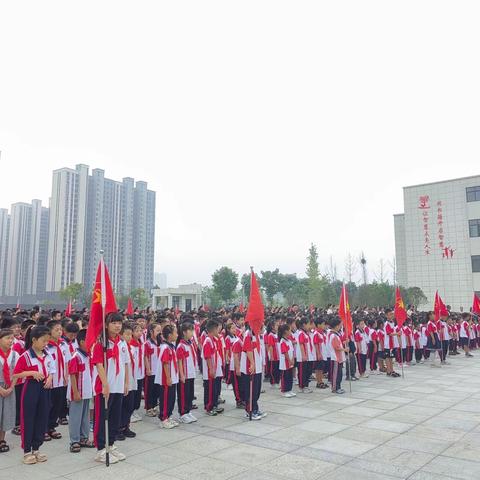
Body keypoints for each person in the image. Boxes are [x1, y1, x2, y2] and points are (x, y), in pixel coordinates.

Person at [12, 325, 54, 465]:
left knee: (42, 418)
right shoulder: (26, 356)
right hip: (31, 388)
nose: (46, 344)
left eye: (47, 341)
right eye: (43, 341)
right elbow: (16, 373)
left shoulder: (47, 354)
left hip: (45, 388)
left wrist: (49, 378)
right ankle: (27, 450)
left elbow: (51, 369)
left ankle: (36, 448)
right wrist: (31, 373)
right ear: (34, 340)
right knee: (28, 418)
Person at [91, 312, 128, 464]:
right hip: (105, 387)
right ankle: (100, 449)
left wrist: (126, 383)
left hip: (118, 385)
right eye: (114, 323)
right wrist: (105, 384)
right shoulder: (101, 343)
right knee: (101, 418)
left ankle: (110, 444)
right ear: (106, 325)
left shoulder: (122, 342)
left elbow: (125, 363)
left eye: (119, 323)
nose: (117, 326)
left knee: (114, 417)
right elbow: (99, 364)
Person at [67, 329, 94, 453]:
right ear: (82, 342)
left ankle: (84, 437)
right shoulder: (75, 357)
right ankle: (74, 440)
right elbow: (72, 375)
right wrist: (76, 392)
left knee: (85, 416)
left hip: (87, 391)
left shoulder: (89, 355)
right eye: (90, 341)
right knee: (75, 417)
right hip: (77, 392)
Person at [46, 320, 71, 440]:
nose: (60, 332)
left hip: (61, 380)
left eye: (61, 329)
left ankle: (51, 427)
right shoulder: (46, 345)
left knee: (57, 404)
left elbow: (67, 361)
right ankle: (43, 428)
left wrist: (66, 376)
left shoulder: (63, 344)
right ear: (49, 332)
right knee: (47, 406)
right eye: (56, 330)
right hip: (50, 381)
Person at [155, 324, 179, 429]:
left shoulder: (170, 346)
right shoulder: (165, 347)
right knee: (165, 398)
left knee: (171, 398)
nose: (177, 335)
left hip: (172, 377)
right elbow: (165, 363)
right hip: (166, 378)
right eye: (175, 333)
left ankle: (168, 416)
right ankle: (163, 418)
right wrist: (168, 377)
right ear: (169, 335)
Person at [241, 323, 266, 420]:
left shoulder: (256, 335)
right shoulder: (248, 335)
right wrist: (252, 363)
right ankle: (249, 411)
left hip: (257, 367)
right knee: (250, 391)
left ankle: (255, 408)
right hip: (250, 368)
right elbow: (248, 350)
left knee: (256, 390)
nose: (262, 328)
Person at [0, 328, 19, 454]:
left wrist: (11, 387)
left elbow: (17, 373)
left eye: (12, 338)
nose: (11, 341)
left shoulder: (15, 354)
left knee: (6, 414)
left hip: (10, 387)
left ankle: (2, 439)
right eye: (7, 338)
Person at [118, 322, 137, 440]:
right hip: (123, 382)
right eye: (127, 334)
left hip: (131, 380)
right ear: (121, 335)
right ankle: (119, 428)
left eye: (131, 334)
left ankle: (126, 426)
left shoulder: (131, 347)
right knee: (122, 406)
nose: (129, 337)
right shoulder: (120, 346)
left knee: (130, 406)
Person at [176, 322, 197, 424]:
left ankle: (188, 411)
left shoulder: (190, 343)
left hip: (191, 373)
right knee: (183, 394)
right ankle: (182, 413)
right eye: (190, 330)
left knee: (190, 394)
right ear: (184, 332)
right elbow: (179, 361)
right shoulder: (181, 346)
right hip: (185, 374)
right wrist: (181, 374)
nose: (192, 332)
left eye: (193, 330)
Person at [202, 320, 223, 416]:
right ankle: (209, 407)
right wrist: (211, 369)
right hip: (210, 370)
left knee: (214, 388)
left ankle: (214, 405)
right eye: (217, 328)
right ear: (213, 329)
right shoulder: (207, 341)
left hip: (214, 368)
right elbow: (208, 356)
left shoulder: (212, 339)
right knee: (209, 389)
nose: (218, 330)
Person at [144, 322, 162, 416]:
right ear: (151, 331)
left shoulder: (160, 343)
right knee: (149, 390)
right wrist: (148, 369)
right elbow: (146, 357)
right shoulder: (147, 343)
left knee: (157, 390)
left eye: (160, 330)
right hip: (151, 371)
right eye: (157, 330)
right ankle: (148, 407)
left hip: (158, 371)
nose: (160, 333)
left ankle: (155, 406)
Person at [130, 322, 145, 423]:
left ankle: (135, 410)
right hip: (132, 374)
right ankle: (130, 412)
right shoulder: (130, 345)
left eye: (140, 330)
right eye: (137, 331)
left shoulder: (140, 344)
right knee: (132, 393)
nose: (139, 333)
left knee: (138, 392)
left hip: (139, 372)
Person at [329, 318, 348, 394]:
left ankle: (339, 387)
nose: (341, 327)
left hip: (339, 358)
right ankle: (335, 388)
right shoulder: (333, 335)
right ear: (336, 326)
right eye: (340, 325)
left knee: (339, 374)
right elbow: (336, 347)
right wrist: (344, 349)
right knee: (336, 374)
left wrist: (344, 342)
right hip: (336, 358)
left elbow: (339, 344)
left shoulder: (337, 334)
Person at [278, 324, 295, 398]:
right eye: (290, 330)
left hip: (290, 362)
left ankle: (289, 389)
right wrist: (289, 360)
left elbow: (292, 350)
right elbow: (285, 352)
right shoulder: (282, 341)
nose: (291, 332)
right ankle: (284, 390)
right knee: (285, 377)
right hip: (285, 363)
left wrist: (293, 359)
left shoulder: (289, 341)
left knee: (290, 377)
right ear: (286, 331)